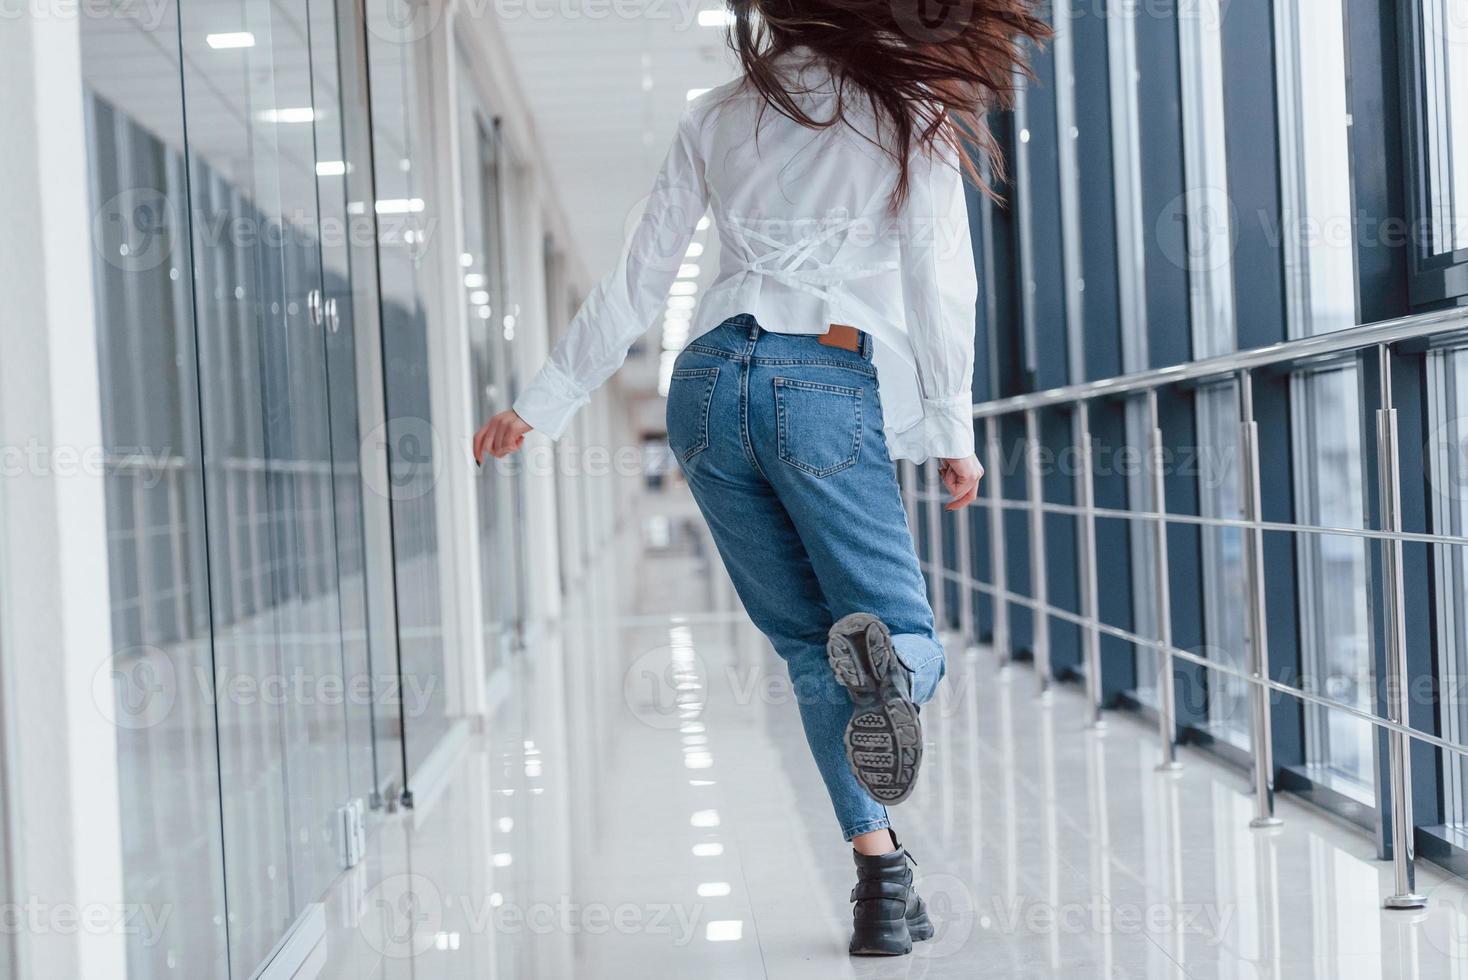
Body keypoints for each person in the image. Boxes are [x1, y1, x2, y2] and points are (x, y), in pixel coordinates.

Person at [474, 0, 1047, 956]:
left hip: (701, 391)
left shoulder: (716, 111)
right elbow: (937, 273)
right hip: (818, 375)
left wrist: (546, 401)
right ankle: (896, 679)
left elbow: (639, 276)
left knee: (808, 647)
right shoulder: (911, 108)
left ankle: (880, 882)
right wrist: (954, 423)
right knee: (892, 633)